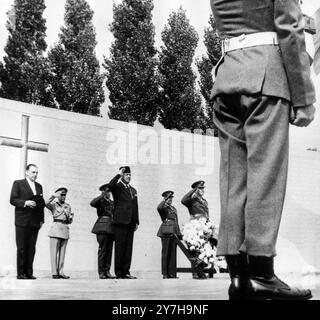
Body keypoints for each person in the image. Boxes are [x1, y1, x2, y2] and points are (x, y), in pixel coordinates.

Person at [209, 0, 316, 300]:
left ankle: (239, 278)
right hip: (265, 76)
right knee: (265, 176)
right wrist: (304, 98)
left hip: (228, 76)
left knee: (233, 181)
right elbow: (289, 28)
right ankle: (261, 273)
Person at [10, 164, 45, 280]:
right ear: (27, 172)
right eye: (33, 172)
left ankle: (29, 272)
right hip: (22, 220)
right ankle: (21, 273)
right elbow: (13, 199)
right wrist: (26, 203)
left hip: (34, 222)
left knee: (31, 247)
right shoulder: (18, 183)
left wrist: (41, 220)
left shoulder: (39, 186)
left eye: (36, 173)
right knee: (21, 247)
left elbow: (41, 204)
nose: (35, 175)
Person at [181, 181, 218, 279]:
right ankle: (196, 272)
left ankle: (204, 270)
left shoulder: (204, 201)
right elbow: (183, 200)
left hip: (204, 225)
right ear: (196, 190)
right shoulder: (192, 200)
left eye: (202, 188)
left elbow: (206, 213)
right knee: (196, 247)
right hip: (195, 225)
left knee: (205, 248)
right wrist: (193, 190)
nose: (202, 190)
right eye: (200, 188)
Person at [108, 166, 139, 279]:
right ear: (122, 175)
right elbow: (110, 186)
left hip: (130, 222)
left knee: (128, 248)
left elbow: (135, 206)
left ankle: (126, 271)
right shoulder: (118, 187)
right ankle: (119, 272)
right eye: (126, 174)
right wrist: (118, 175)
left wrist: (136, 221)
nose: (129, 176)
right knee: (120, 247)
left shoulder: (133, 190)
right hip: (120, 222)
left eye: (130, 175)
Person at [46, 187, 73, 279]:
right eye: (61, 194)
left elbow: (69, 220)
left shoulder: (68, 206)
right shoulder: (53, 204)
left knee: (62, 253)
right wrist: (53, 196)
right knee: (54, 252)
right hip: (56, 228)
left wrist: (70, 218)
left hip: (64, 228)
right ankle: (54, 272)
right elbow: (45, 203)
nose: (63, 196)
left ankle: (60, 272)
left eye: (64, 195)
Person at [90, 183, 116, 279]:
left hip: (111, 228)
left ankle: (107, 271)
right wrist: (101, 195)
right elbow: (92, 203)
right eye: (106, 191)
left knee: (109, 251)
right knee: (103, 250)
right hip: (102, 227)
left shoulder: (112, 202)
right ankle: (101, 271)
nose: (108, 193)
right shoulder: (100, 201)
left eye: (109, 191)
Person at [157, 191, 181, 279]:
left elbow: (176, 220)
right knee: (166, 252)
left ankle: (171, 273)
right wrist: (164, 201)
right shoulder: (163, 208)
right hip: (166, 230)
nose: (170, 200)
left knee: (172, 252)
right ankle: (165, 273)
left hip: (174, 230)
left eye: (171, 198)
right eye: (168, 198)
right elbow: (159, 208)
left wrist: (178, 232)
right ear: (165, 199)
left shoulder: (173, 208)